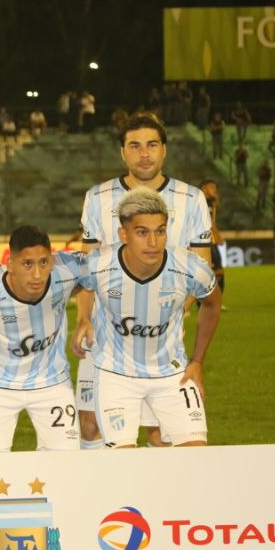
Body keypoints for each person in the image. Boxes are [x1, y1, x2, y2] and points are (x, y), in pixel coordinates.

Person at [75, 113, 213, 450]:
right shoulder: (98, 197)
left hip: (161, 340)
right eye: (135, 146)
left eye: (152, 145)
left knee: (160, 432)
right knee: (90, 425)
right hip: (106, 336)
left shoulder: (191, 199)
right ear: (123, 153)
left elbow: (202, 268)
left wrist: (163, 309)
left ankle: (156, 499)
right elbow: (86, 269)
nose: (144, 153)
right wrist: (82, 318)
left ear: (164, 150)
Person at [0, 225, 87, 452]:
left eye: (43, 262)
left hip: (51, 382)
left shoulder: (68, 269)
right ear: (10, 264)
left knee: (67, 462)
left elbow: (103, 274)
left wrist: (85, 319)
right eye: (27, 264)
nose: (37, 274)